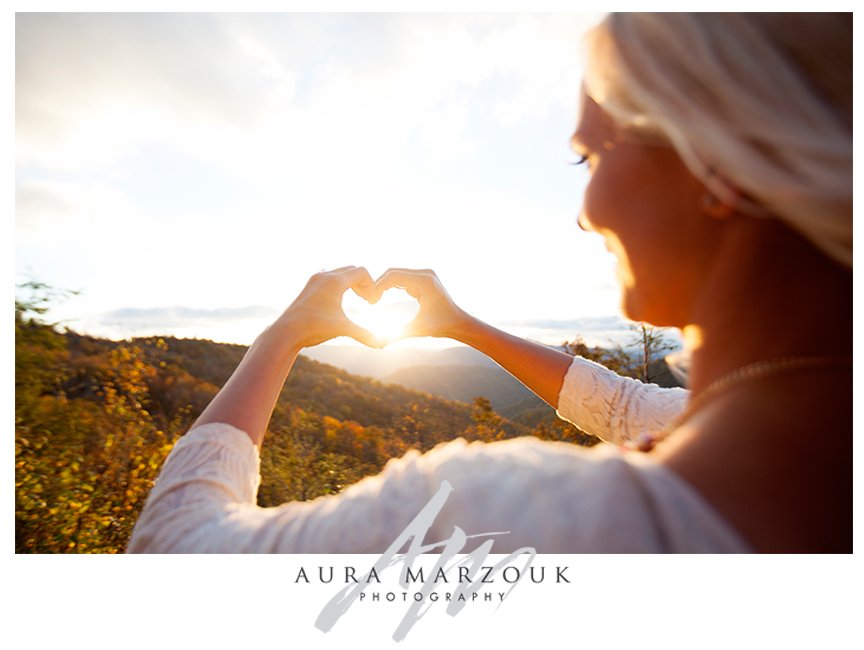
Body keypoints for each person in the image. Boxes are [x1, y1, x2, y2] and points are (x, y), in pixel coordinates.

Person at [127, 13, 851, 554]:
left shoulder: (501, 519)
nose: (585, 215)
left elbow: (174, 554)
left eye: (589, 159)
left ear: (716, 161)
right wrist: (460, 324)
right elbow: (631, 409)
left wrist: (278, 338)